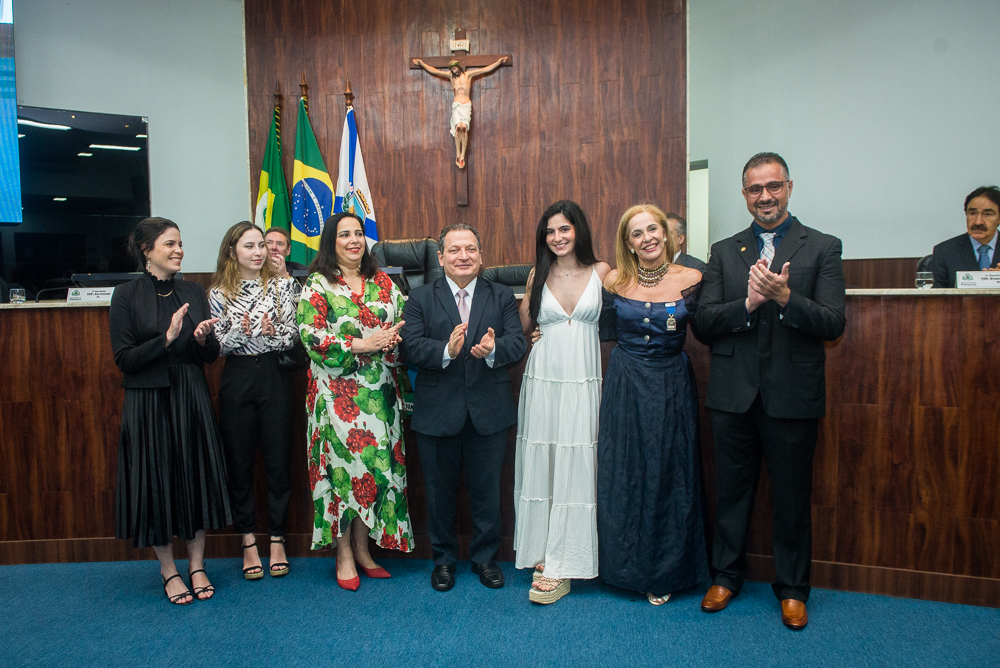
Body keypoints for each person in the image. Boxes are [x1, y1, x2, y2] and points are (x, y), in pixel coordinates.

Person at [695, 152, 846, 630]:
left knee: (791, 495)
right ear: (744, 195)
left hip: (792, 394)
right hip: (732, 394)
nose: (765, 197)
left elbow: (832, 322)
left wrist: (784, 299)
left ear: (789, 187)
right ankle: (725, 576)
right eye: (755, 190)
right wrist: (748, 302)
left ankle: (793, 588)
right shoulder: (723, 250)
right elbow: (703, 323)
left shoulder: (821, 246)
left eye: (773, 187)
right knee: (732, 493)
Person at [108, 217, 229, 606]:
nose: (179, 251)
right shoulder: (126, 295)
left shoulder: (193, 289)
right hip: (148, 401)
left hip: (190, 394)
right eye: (169, 244)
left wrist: (203, 339)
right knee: (155, 481)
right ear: (147, 251)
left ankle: (196, 566)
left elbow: (209, 357)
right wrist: (167, 339)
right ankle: (168, 570)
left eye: (180, 243)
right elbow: (124, 359)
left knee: (193, 478)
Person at [400, 223, 527, 591]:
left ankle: (485, 559)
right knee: (439, 494)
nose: (463, 256)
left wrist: (492, 351)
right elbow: (409, 347)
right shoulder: (420, 297)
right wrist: (446, 351)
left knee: (488, 491)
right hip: (438, 412)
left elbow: (516, 344)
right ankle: (443, 561)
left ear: (481, 256)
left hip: (488, 411)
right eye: (454, 250)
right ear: (440, 258)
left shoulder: (501, 295)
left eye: (470, 249)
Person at [597, 204, 708, 606]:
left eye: (652, 229)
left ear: (668, 233)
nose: (647, 238)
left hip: (671, 384)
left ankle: (665, 572)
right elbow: (597, 328)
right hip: (626, 383)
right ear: (627, 243)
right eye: (637, 234)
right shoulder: (613, 280)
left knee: (668, 471)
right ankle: (625, 569)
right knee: (625, 469)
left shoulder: (694, 278)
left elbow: (712, 326)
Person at [296, 212, 412, 591]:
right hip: (335, 397)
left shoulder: (383, 282)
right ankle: (343, 554)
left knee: (372, 475)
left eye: (358, 233)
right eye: (344, 234)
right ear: (331, 242)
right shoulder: (317, 283)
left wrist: (393, 339)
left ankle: (363, 551)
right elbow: (311, 337)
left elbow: (403, 322)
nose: (353, 240)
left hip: (379, 395)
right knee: (342, 475)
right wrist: (360, 344)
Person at [513, 201, 611, 604]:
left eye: (564, 230)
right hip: (545, 377)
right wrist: (530, 327)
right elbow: (524, 326)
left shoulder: (604, 271)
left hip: (585, 379)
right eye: (551, 231)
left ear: (579, 231)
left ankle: (570, 558)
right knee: (547, 461)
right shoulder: (539, 273)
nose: (557, 238)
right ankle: (544, 553)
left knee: (580, 462)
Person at [209, 222, 299, 581]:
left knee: (279, 462)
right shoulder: (218, 291)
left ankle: (277, 539)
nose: (259, 252)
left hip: (275, 376)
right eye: (250, 246)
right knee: (240, 463)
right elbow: (216, 347)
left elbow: (293, 337)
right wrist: (238, 333)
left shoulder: (282, 285)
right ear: (233, 252)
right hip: (237, 377)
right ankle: (248, 541)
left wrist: (272, 333)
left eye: (262, 245)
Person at [412, 56, 508, 169]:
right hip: (457, 105)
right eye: (452, 69)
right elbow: (435, 71)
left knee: (464, 128)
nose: (453, 71)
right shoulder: (451, 77)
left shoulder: (468, 75)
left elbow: (485, 69)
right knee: (459, 127)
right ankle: (458, 153)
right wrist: (422, 64)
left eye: (455, 68)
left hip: (466, 105)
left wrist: (498, 62)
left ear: (458, 67)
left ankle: (462, 156)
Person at [930, 186, 1000, 287]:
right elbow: (935, 299)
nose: (978, 222)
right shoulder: (944, 252)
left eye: (988, 214)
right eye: (972, 213)